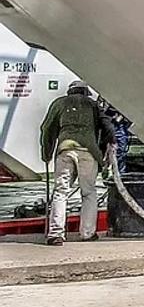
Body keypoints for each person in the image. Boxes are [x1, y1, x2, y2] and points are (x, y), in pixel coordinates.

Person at [39, 81, 114, 246]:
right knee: (88, 192)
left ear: (69, 92)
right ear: (86, 92)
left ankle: (56, 234)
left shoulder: (59, 103)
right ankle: (87, 232)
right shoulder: (93, 104)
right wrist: (108, 146)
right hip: (88, 152)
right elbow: (107, 126)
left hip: (65, 150)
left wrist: (46, 153)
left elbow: (47, 128)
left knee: (60, 191)